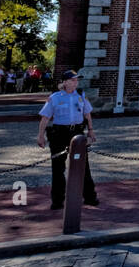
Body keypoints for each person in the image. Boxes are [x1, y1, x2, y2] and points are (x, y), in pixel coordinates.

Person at [37, 70, 98, 209]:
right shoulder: (55, 97)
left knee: (83, 166)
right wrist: (40, 135)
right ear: (64, 82)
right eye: (72, 80)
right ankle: (58, 201)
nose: (75, 82)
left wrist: (91, 131)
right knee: (58, 168)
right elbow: (45, 117)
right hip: (60, 133)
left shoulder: (81, 96)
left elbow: (87, 114)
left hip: (77, 132)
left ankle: (90, 197)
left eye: (77, 80)